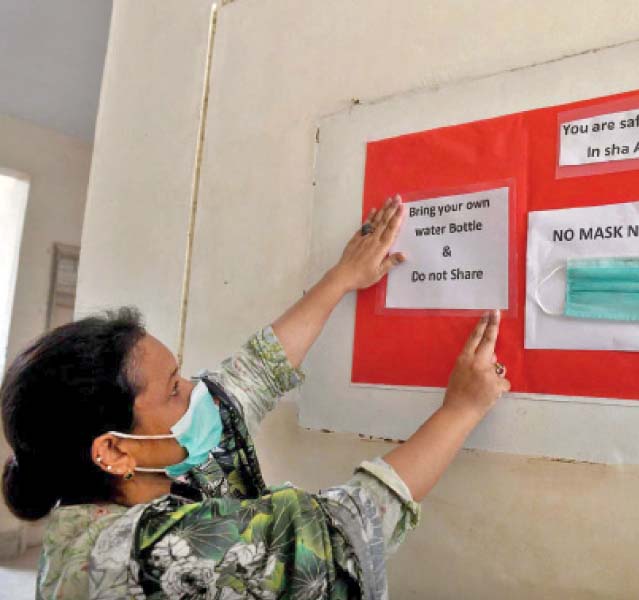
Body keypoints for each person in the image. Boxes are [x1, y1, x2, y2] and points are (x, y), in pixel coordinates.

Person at [1, 196, 510, 599]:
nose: (199, 393)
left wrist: (342, 278)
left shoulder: (124, 482)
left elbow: (246, 380)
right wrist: (460, 411)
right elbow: (341, 531)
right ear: (112, 451)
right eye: (176, 390)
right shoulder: (142, 556)